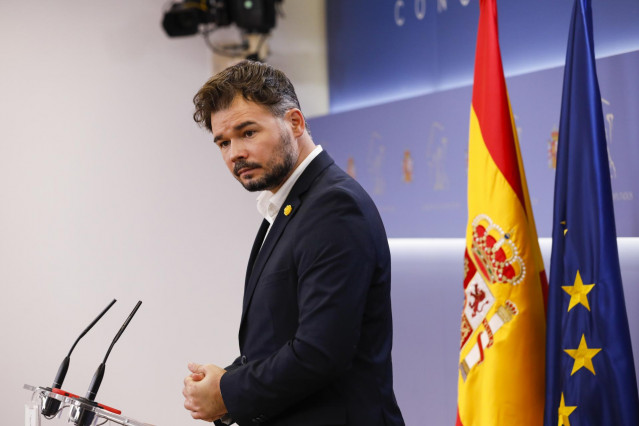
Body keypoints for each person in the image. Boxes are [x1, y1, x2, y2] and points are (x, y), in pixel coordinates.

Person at [182, 60, 405, 426]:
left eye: (248, 132)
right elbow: (278, 339)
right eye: (223, 142)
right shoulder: (287, 204)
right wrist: (223, 381)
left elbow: (320, 351)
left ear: (295, 123)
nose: (234, 152)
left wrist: (228, 393)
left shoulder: (335, 206)